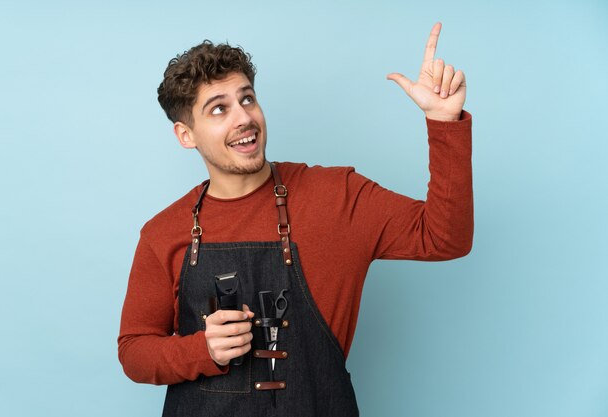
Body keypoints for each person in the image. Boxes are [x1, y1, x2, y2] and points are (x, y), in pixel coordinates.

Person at [118, 22, 473, 416]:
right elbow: (134, 351)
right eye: (219, 109)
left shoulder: (338, 194)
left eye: (247, 99)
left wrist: (444, 124)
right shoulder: (162, 232)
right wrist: (201, 349)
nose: (243, 118)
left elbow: (446, 238)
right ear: (187, 135)